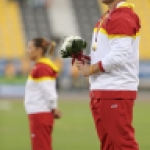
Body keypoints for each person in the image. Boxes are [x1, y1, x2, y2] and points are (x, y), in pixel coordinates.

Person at [75, 0, 141, 149]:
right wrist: (89, 61)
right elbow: (111, 54)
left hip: (115, 88)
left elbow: (118, 56)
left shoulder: (122, 17)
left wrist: (91, 69)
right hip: (103, 88)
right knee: (109, 145)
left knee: (122, 144)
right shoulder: (110, 15)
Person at [25, 37, 62, 150]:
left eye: (30, 48)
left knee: (41, 147)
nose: (28, 50)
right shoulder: (40, 66)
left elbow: (48, 90)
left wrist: (53, 106)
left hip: (40, 113)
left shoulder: (42, 68)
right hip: (39, 113)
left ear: (39, 50)